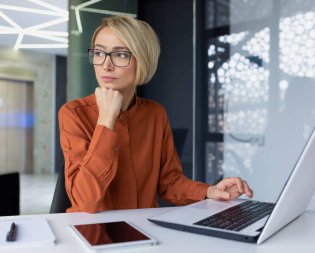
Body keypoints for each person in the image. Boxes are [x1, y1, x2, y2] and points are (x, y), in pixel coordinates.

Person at [58, 15, 253, 213]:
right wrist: (106, 120)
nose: (106, 65)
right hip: (92, 230)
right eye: (99, 53)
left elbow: (169, 183)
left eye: (121, 55)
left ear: (142, 59)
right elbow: (85, 202)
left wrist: (210, 191)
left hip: (144, 230)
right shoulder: (74, 114)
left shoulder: (155, 114)